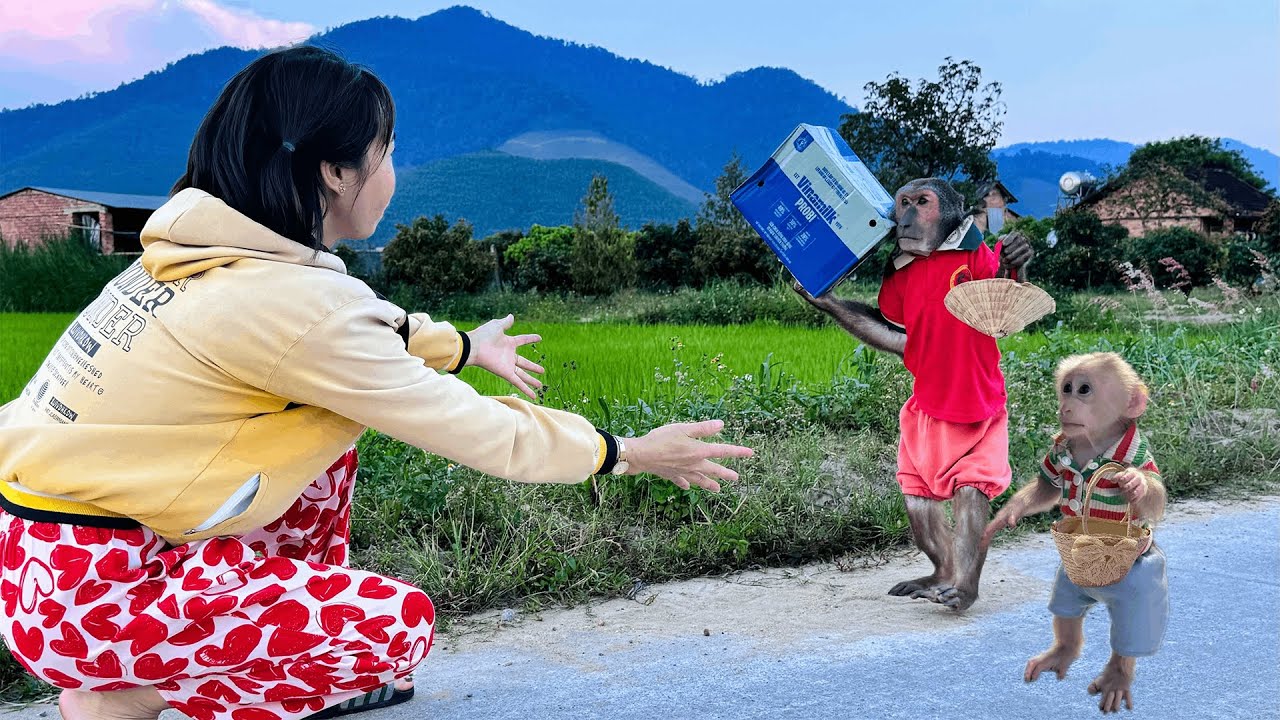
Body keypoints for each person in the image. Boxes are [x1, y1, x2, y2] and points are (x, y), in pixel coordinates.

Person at [0, 45, 752, 720]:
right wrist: (622, 451)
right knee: (398, 629)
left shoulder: (195, 260)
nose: (392, 171)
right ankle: (132, 687)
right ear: (335, 171)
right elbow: (480, 431)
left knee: (328, 440)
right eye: (387, 150)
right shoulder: (289, 303)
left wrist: (462, 345)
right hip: (102, 596)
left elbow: (361, 330)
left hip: (40, 571)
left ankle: (188, 643)